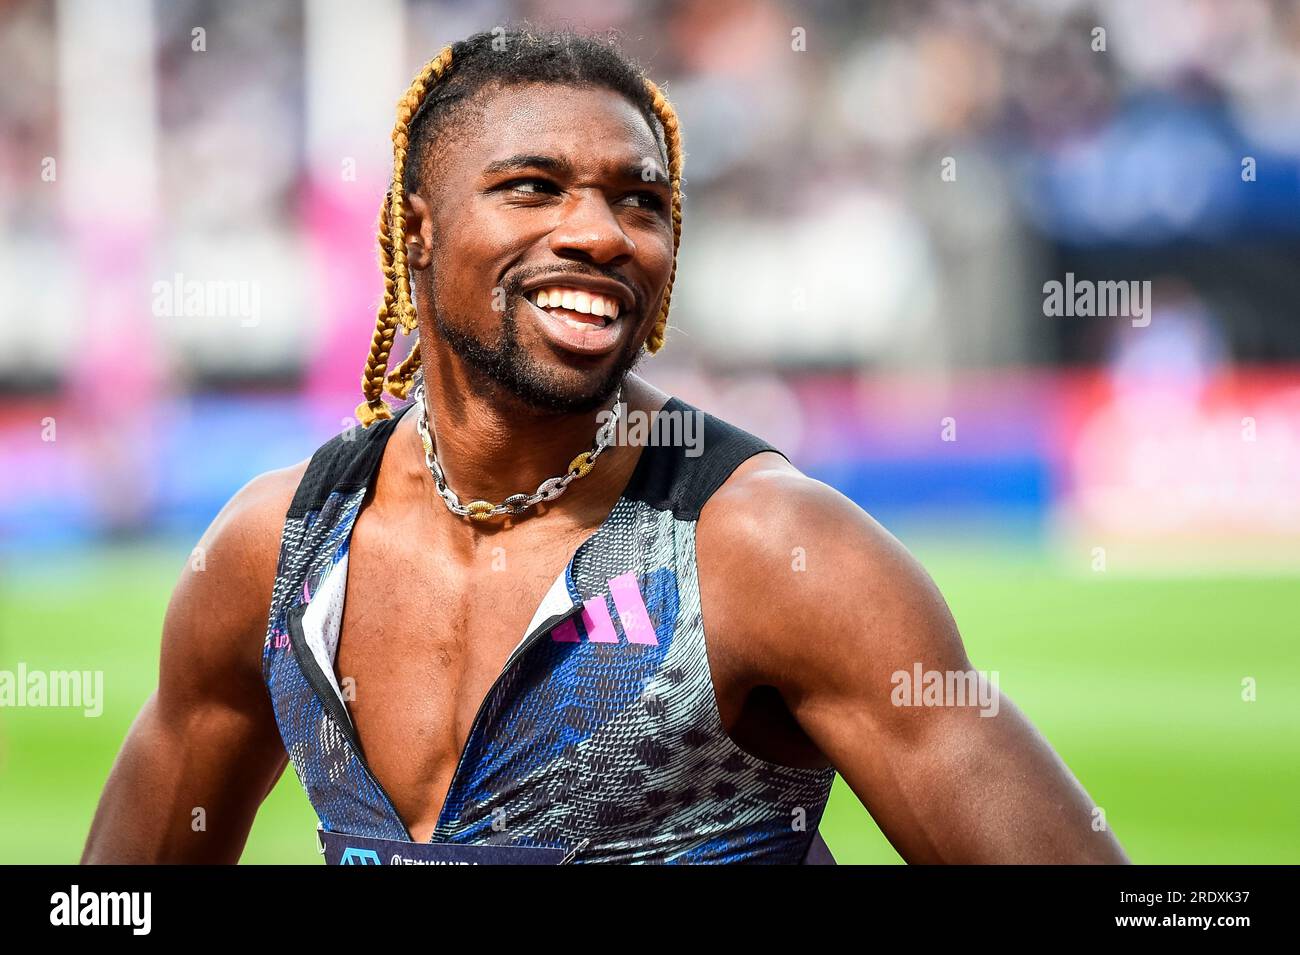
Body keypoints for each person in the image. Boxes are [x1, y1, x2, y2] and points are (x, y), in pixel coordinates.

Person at [83, 29, 1128, 865]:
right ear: (417, 234)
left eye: (642, 200)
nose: (600, 233)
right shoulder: (279, 553)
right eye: (532, 188)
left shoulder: (769, 551)